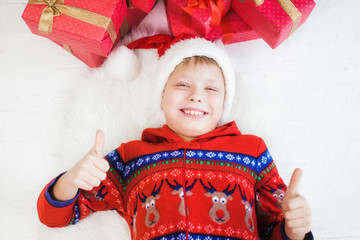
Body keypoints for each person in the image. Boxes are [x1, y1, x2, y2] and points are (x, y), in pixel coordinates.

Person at [37, 34, 313, 240]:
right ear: (162, 96)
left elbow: (277, 227)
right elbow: (55, 216)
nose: (196, 95)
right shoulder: (132, 157)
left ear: (224, 102)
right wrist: (71, 178)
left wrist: (294, 228)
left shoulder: (251, 150)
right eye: (182, 85)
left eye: (211, 89)